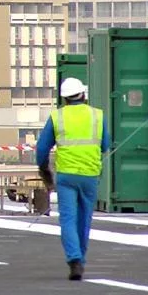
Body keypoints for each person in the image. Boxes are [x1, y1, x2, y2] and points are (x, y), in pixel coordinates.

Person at [35, 76, 110, 280]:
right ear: (84, 95)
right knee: (84, 219)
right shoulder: (97, 115)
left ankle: (74, 259)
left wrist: (45, 171)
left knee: (68, 219)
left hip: (66, 176)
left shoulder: (57, 117)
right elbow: (105, 145)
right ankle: (81, 260)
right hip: (90, 175)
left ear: (64, 99)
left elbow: (42, 149)